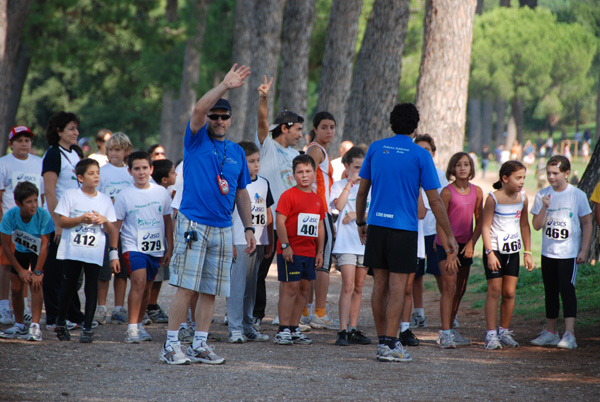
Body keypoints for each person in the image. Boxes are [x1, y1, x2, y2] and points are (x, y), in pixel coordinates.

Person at [161, 64, 255, 366]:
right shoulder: (197, 139)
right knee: (187, 287)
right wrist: (225, 86)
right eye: (214, 116)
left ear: (230, 119)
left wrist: (250, 227)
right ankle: (171, 345)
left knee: (211, 290)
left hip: (223, 227)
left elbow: (241, 192)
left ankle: (200, 344)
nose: (217, 120)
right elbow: (199, 107)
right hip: (193, 222)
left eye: (223, 116)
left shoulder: (238, 152)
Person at [355, 103, 458, 363]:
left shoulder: (376, 148)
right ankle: (391, 344)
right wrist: (449, 234)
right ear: (415, 127)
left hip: (377, 225)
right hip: (404, 229)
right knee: (398, 288)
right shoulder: (421, 155)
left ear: (391, 123)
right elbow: (435, 201)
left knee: (379, 286)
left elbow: (362, 191)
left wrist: (360, 222)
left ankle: (383, 343)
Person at [253, 76, 303, 328]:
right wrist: (263, 98)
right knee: (258, 272)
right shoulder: (267, 147)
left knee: (291, 276)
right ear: (284, 128)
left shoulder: (297, 156)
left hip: (289, 223)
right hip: (265, 220)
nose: (300, 135)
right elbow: (263, 122)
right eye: (297, 130)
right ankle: (254, 316)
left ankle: (289, 321)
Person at [530, 156, 592, 349]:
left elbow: (587, 222)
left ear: (566, 173)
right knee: (550, 291)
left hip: (568, 253)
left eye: (555, 173)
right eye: (548, 173)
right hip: (549, 252)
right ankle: (550, 332)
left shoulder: (577, 195)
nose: (551, 177)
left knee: (567, 290)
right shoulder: (542, 195)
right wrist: (545, 207)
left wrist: (584, 249)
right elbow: (537, 226)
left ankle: (569, 334)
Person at [111, 152, 173, 344]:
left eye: (145, 168)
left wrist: (170, 247)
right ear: (130, 171)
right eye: (136, 168)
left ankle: (139, 324)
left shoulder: (161, 193)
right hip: (133, 246)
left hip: (155, 247)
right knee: (137, 282)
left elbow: (168, 221)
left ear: (151, 169)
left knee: (147, 288)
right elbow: (116, 225)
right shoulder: (124, 195)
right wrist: (114, 252)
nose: (141, 172)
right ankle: (131, 329)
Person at [54, 158, 116, 343]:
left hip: (94, 251)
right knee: (69, 286)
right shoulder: (70, 195)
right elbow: (62, 222)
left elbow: (111, 229)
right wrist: (81, 219)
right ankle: (60, 322)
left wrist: (104, 220)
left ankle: (87, 327)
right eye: (91, 173)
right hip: (73, 250)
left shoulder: (104, 200)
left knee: (92, 287)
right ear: (80, 177)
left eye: (97, 172)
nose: (96, 176)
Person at [481, 161, 534, 350]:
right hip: (494, 251)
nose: (521, 182)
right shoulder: (492, 199)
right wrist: (489, 253)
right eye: (518, 178)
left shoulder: (523, 198)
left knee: (509, 293)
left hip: (513, 251)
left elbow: (525, 225)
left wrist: (527, 252)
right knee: (494, 291)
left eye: (524, 178)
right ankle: (491, 335)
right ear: (505, 178)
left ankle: (504, 331)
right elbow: (485, 226)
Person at [274, 154, 325, 346]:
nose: (304, 175)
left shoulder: (317, 199)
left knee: (303, 289)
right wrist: (285, 245)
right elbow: (280, 221)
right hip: (290, 251)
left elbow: (320, 226)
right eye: (300, 172)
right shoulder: (288, 196)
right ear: (293, 175)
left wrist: (320, 251)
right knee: (290, 288)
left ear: (314, 173)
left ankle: (294, 328)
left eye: (308, 171)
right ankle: (283, 329)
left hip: (309, 252)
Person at [42, 112, 86, 330]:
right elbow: (50, 191)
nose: (76, 132)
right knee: (55, 270)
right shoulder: (53, 154)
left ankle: (73, 314)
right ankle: (52, 317)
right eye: (71, 128)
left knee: (71, 270)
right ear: (59, 131)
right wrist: (57, 222)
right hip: (56, 222)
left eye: (77, 128)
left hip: (74, 221)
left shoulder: (75, 154)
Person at [226, 141, 273, 343]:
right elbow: (227, 215)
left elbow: (266, 213)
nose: (256, 165)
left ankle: (248, 325)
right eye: (251, 161)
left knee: (251, 285)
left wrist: (268, 240)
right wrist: (229, 242)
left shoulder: (263, 183)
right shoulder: (234, 184)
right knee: (237, 287)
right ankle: (235, 328)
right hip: (238, 240)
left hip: (258, 241)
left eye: (257, 160)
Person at [435, 153, 483, 349]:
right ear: (452, 169)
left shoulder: (477, 191)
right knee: (449, 287)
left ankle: (452, 328)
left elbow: (480, 220)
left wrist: (472, 242)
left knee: (460, 289)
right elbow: (440, 221)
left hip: (466, 245)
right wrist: (448, 250)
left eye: (466, 165)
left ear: (471, 168)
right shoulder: (446, 192)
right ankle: (445, 333)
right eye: (458, 165)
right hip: (446, 245)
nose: (462, 168)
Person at [0, 126, 44, 325]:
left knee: (29, 265)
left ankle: (24, 306)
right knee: (6, 264)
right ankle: (3, 306)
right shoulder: (3, 163)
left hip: (34, 225)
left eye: (27, 140)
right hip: (11, 224)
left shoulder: (39, 163)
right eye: (19, 141)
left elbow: (41, 195)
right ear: (11, 144)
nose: (24, 144)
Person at [0, 182, 53, 341]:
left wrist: (38, 271)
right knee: (16, 288)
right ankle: (20, 324)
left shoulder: (43, 215)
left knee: (36, 284)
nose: (34, 205)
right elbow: (6, 246)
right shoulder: (10, 215)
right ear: (18, 203)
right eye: (29, 202)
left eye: (36, 200)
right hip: (19, 251)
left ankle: (35, 326)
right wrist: (20, 270)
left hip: (38, 252)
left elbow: (44, 245)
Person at [330, 147, 371, 346]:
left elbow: (375, 212)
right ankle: (342, 330)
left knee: (359, 287)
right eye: (356, 167)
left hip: (364, 244)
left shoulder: (371, 187)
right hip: (346, 244)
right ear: (346, 166)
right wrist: (349, 183)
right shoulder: (338, 185)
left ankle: (353, 328)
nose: (360, 172)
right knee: (347, 286)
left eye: (364, 168)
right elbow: (338, 206)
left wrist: (358, 215)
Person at [95, 132, 134, 325]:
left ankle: (119, 308)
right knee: (103, 271)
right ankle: (101, 308)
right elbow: (95, 195)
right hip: (106, 229)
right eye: (110, 149)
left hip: (126, 229)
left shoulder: (130, 172)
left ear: (127, 151)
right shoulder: (102, 171)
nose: (113, 153)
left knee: (122, 272)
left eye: (117, 149)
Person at [305, 112, 338, 330]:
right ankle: (319, 312)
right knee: (322, 265)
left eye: (332, 127)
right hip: (319, 211)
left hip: (317, 210)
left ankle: (306, 311)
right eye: (324, 127)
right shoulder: (316, 150)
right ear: (315, 129)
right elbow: (306, 175)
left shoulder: (317, 149)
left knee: (311, 263)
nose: (329, 131)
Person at [411, 134, 447, 328]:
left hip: (434, 229)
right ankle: (419, 313)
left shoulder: (440, 175)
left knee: (439, 271)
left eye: (427, 150)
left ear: (433, 153)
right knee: (416, 273)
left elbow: (443, 205)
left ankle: (448, 310)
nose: (423, 154)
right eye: (419, 150)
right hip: (414, 230)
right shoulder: (410, 172)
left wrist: (440, 234)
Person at [145, 159, 178, 324]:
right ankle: (144, 306)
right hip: (152, 237)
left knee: (160, 275)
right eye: (173, 172)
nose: (176, 175)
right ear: (164, 179)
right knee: (150, 277)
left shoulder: (167, 192)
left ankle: (152, 305)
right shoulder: (156, 192)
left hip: (162, 239)